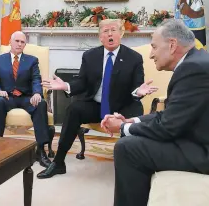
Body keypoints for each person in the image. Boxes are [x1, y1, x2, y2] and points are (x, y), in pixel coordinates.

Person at [101, 19, 209, 206]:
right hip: (195, 138)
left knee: (127, 148)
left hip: (202, 151)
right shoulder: (196, 61)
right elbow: (170, 115)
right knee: (132, 141)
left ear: (172, 45)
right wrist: (132, 120)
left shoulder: (193, 69)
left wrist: (122, 127)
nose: (151, 55)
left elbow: (168, 127)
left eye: (154, 47)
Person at [37, 19, 158, 179]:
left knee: (135, 113)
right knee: (74, 109)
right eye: (105, 31)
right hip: (97, 105)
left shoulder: (133, 57)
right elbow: (82, 82)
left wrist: (139, 91)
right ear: (100, 37)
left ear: (121, 33)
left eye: (113, 30)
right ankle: (59, 162)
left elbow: (137, 85)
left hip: (123, 106)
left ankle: (133, 165)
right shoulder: (90, 56)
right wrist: (66, 85)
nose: (109, 34)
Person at [0, 31, 51, 168]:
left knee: (41, 104)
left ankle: (41, 150)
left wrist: (37, 93)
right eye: (17, 41)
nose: (19, 44)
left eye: (22, 42)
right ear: (10, 42)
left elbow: (36, 79)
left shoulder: (32, 60)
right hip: (7, 97)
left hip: (26, 97)